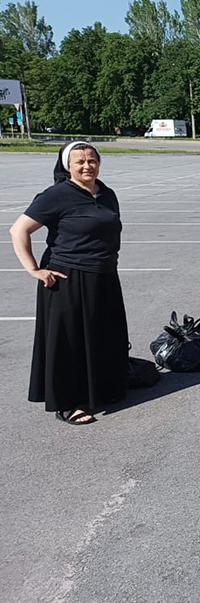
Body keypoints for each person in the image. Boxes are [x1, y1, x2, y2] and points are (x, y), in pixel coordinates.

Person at [9, 142, 128, 425]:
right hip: (68, 278)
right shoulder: (57, 195)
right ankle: (67, 403)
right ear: (67, 166)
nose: (87, 166)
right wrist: (34, 269)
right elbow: (18, 230)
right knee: (69, 343)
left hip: (104, 275)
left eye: (92, 160)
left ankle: (101, 389)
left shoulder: (106, 193)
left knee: (103, 337)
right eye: (80, 162)